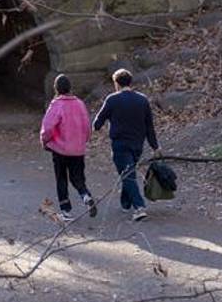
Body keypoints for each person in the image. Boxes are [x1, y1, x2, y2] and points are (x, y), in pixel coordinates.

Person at [93, 69, 161, 221]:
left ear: (116, 83)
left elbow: (97, 123)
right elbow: (149, 126)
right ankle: (125, 204)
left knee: (128, 175)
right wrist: (155, 146)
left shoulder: (112, 100)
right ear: (130, 82)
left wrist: (97, 126)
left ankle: (139, 207)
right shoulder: (142, 100)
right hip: (138, 144)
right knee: (128, 173)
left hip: (120, 144)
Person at [40, 73, 97, 223]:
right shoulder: (79, 104)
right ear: (70, 88)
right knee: (77, 177)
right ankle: (86, 196)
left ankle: (66, 210)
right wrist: (83, 141)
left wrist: (44, 141)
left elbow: (48, 127)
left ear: (56, 88)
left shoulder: (56, 104)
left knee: (61, 178)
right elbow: (86, 126)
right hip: (78, 149)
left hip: (60, 149)